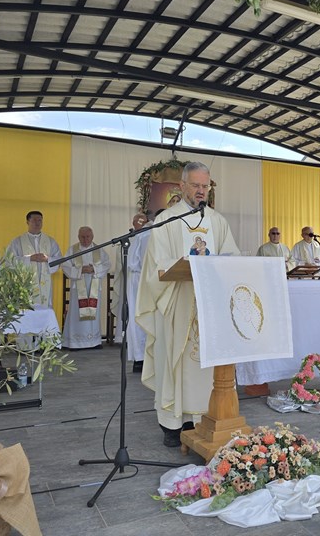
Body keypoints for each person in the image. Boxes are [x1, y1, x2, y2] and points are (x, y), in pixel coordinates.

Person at [136, 161, 240, 448]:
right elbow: (157, 265)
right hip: (176, 302)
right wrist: (185, 263)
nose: (201, 191)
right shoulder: (166, 220)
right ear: (182, 186)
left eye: (205, 186)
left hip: (209, 305)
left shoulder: (217, 221)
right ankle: (173, 423)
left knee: (205, 364)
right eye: (195, 185)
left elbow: (231, 257)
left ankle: (205, 416)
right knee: (177, 362)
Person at [61, 226, 111, 349]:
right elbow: (65, 265)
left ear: (92, 236)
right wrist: (80, 270)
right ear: (78, 237)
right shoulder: (72, 250)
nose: (85, 239)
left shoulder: (99, 250)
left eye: (88, 236)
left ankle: (93, 341)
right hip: (78, 288)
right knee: (76, 313)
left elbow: (107, 264)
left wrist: (94, 269)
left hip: (94, 286)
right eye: (82, 237)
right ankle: (74, 342)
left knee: (94, 312)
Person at [7, 211, 62, 308]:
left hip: (44, 284)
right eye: (34, 220)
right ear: (27, 222)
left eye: (40, 220)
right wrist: (29, 259)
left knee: (44, 309)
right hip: (25, 284)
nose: (37, 223)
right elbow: (9, 261)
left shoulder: (50, 241)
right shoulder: (17, 242)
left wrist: (47, 259)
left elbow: (59, 260)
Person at [120, 212, 152, 372]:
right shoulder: (140, 234)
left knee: (141, 317)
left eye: (140, 221)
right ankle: (139, 356)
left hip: (142, 278)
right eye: (135, 221)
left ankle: (143, 358)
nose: (137, 223)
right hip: (137, 279)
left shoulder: (147, 233)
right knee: (136, 318)